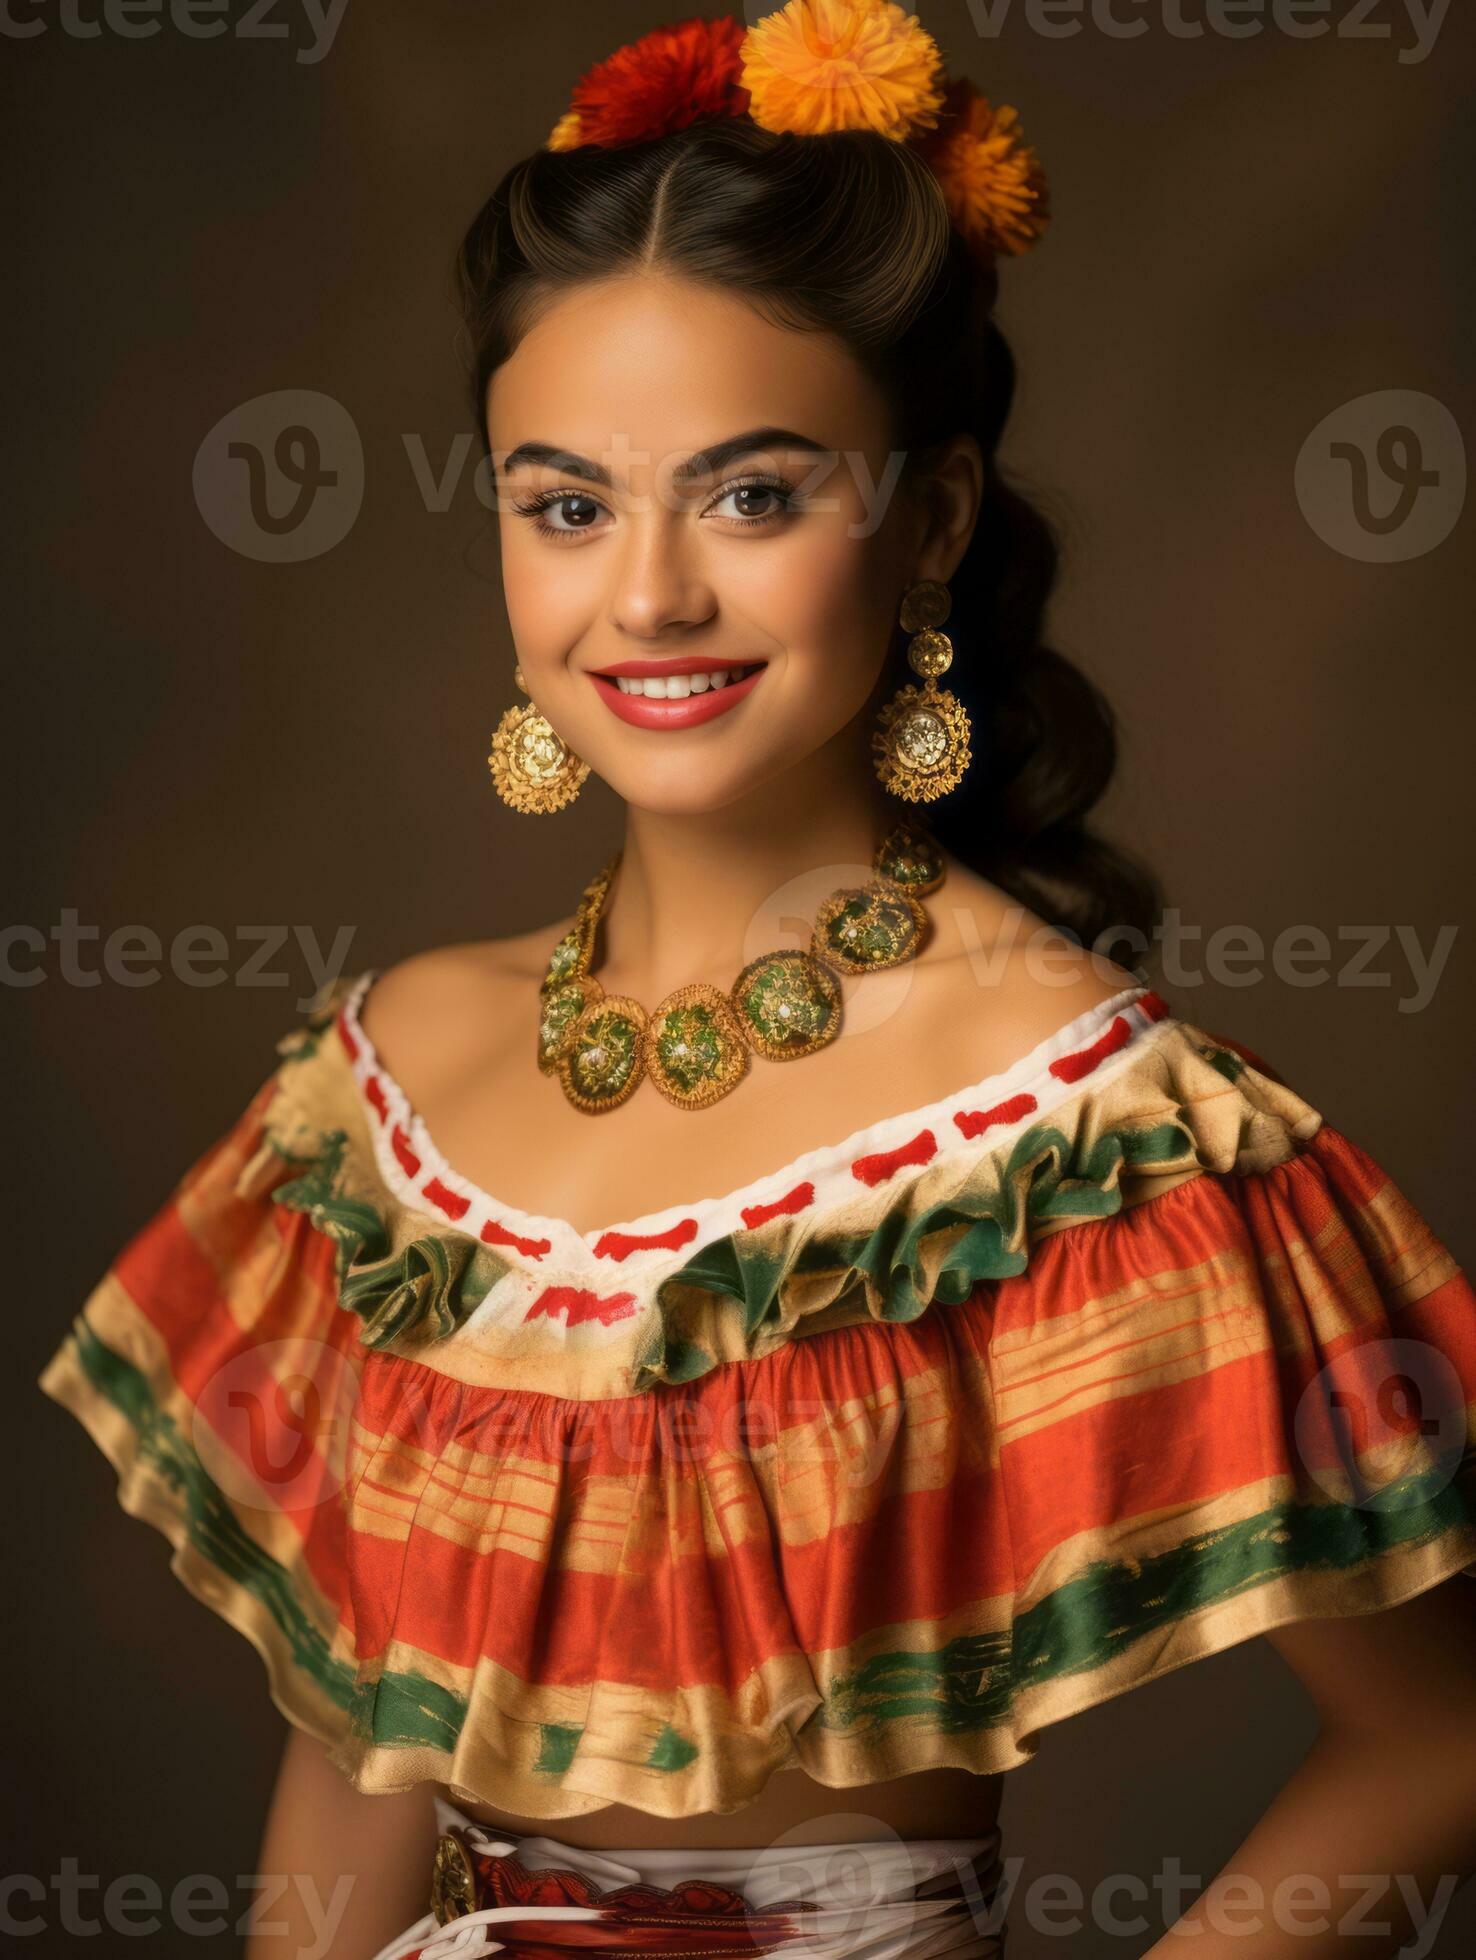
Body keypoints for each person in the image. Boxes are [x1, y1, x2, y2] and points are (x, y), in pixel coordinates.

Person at [38, 4, 1476, 1957]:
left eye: (753, 491)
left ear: (933, 519)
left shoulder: (1081, 1129)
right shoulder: (384, 1080)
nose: (646, 596)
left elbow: (1437, 1730)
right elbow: (357, 1744)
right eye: (565, 503)